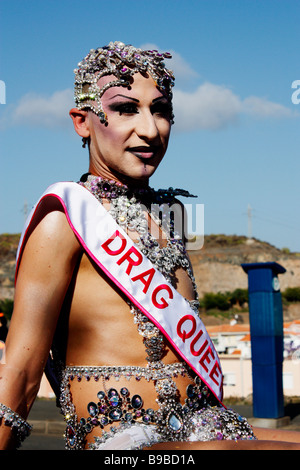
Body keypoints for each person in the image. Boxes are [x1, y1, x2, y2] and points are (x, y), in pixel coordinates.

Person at [0, 41, 299, 451]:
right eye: (126, 109)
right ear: (82, 122)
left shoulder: (173, 213)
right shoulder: (63, 218)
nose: (150, 128)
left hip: (204, 428)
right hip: (123, 442)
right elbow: (19, 374)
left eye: (160, 110)